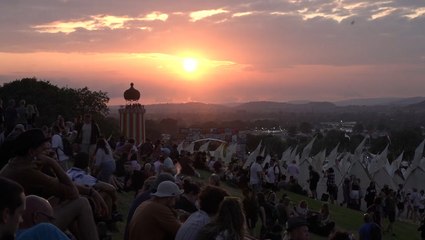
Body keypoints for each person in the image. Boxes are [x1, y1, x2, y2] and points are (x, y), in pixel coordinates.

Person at [0, 129, 99, 240]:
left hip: (18, 220)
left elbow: (59, 187)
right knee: (82, 203)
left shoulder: (16, 163)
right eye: (44, 149)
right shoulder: (26, 171)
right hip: (18, 229)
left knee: (62, 198)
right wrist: (53, 163)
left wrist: (90, 191)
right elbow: (73, 193)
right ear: (32, 152)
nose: (47, 152)